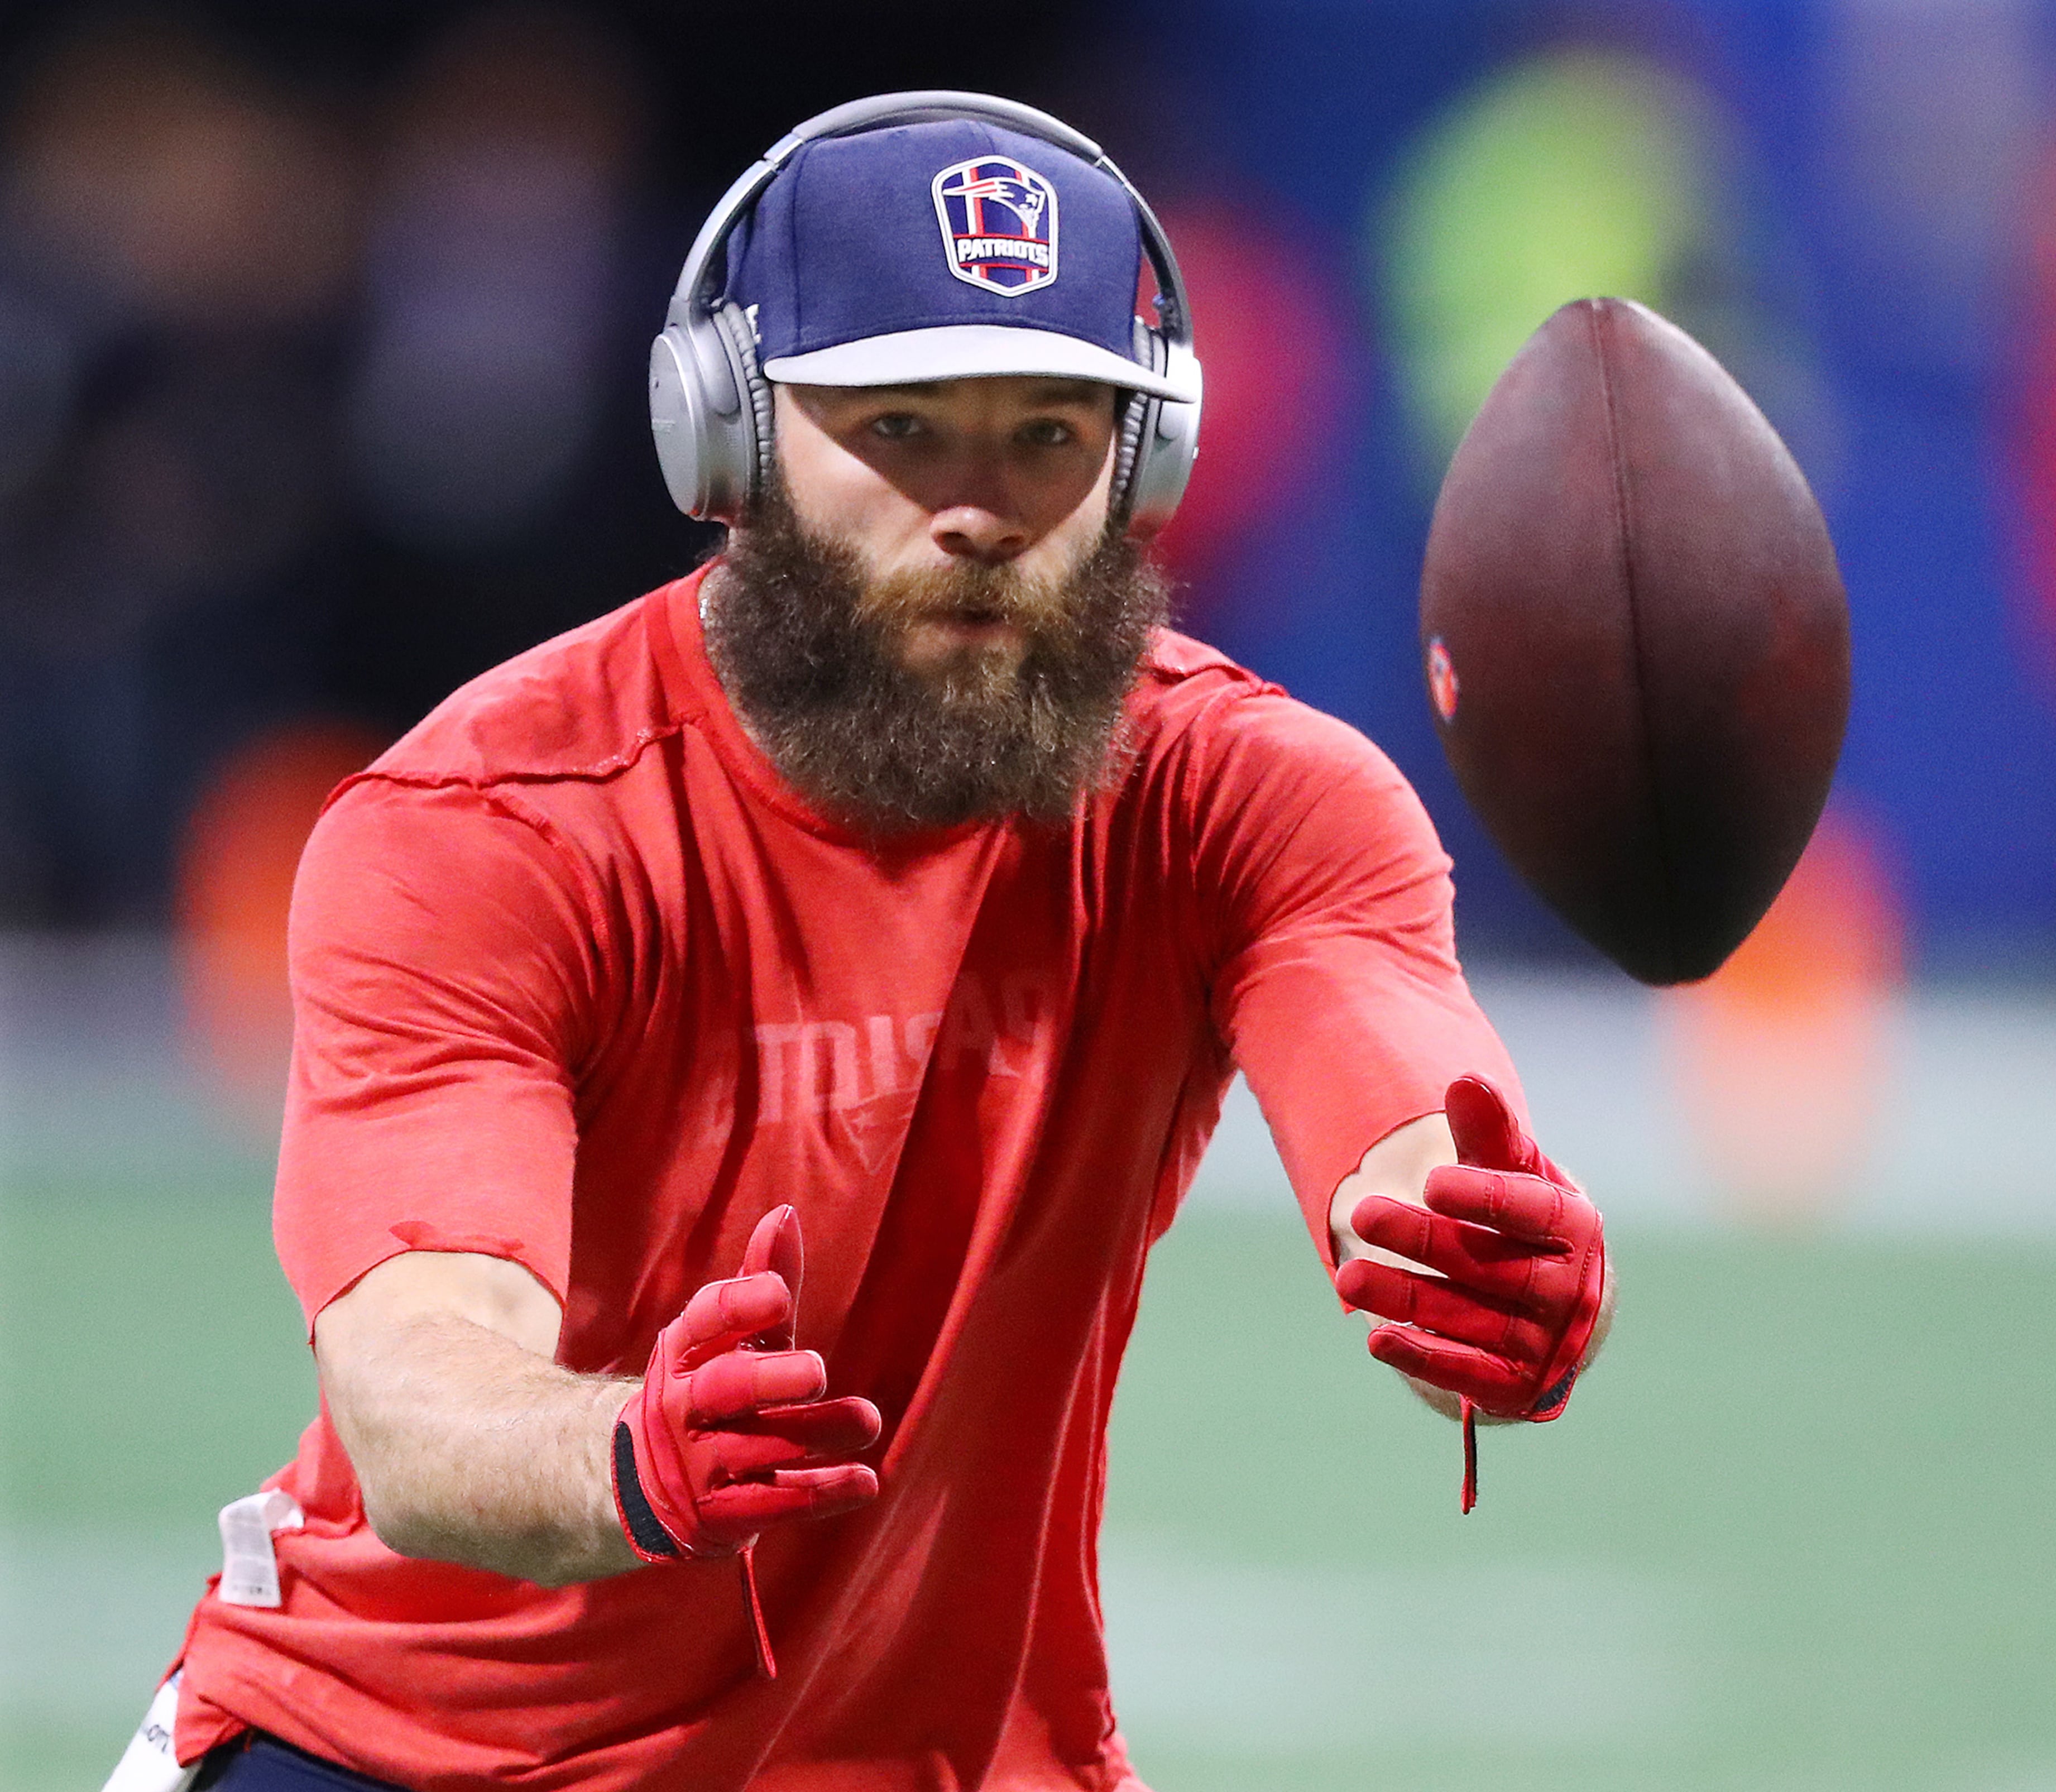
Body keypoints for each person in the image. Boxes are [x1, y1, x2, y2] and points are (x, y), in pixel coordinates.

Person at [111, 94, 1612, 1792]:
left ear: (1148, 465)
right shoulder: (493, 823)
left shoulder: (1245, 795)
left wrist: (1474, 1264)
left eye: (1052, 436)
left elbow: (1404, 1113)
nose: (980, 510)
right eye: (901, 424)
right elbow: (416, 1400)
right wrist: (629, 1455)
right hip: (397, 1751)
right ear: (727, 445)